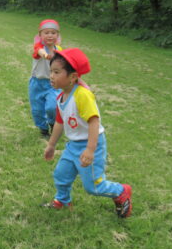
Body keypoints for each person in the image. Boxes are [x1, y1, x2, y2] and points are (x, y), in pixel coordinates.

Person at [43, 48, 132, 218]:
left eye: (56, 72)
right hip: (73, 146)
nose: (51, 76)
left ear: (73, 77)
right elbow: (60, 122)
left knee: (94, 187)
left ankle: (121, 191)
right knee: (61, 174)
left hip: (90, 144)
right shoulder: (61, 97)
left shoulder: (82, 95)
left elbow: (94, 121)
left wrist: (90, 150)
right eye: (51, 72)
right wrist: (51, 145)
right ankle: (62, 200)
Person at [29, 19, 63, 138]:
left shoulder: (59, 50)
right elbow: (40, 52)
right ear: (40, 35)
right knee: (37, 109)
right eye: (46, 33)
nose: (50, 35)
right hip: (37, 83)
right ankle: (43, 129)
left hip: (53, 83)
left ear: (57, 35)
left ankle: (53, 123)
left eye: (53, 33)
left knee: (52, 106)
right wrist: (47, 56)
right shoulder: (38, 47)